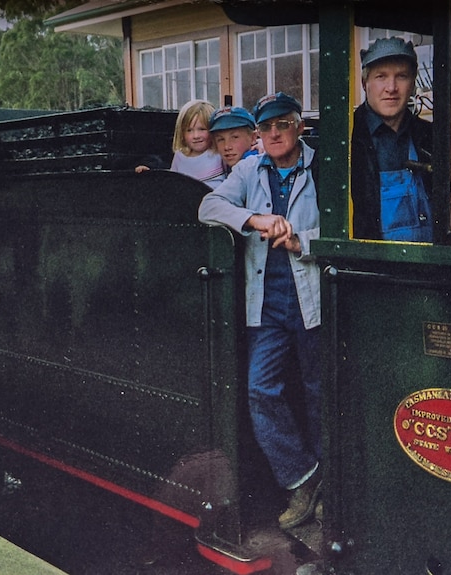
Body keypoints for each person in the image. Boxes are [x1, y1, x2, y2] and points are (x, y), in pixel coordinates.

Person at [198, 92, 322, 530]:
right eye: (266, 127)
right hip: (266, 304)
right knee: (260, 390)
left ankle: (332, 492)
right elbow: (209, 205)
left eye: (281, 126)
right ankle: (302, 479)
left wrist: (300, 241)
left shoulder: (321, 167)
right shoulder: (250, 169)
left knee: (317, 392)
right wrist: (256, 220)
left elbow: (340, 230)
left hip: (313, 300)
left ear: (298, 128)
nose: (273, 134)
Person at [351, 37, 434, 241]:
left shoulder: (431, 136)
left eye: (401, 76)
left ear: (413, 82)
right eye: (381, 77)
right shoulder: (348, 138)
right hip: (376, 268)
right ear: (365, 83)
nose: (391, 87)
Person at [137, 99, 225, 188]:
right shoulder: (180, 156)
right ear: (182, 133)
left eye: (202, 129)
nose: (196, 136)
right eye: (189, 130)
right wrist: (151, 174)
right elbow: (172, 182)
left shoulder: (219, 153)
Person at [208, 105, 261, 175]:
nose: (227, 147)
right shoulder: (225, 166)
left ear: (253, 137)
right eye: (220, 139)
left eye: (235, 137)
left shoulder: (255, 166)